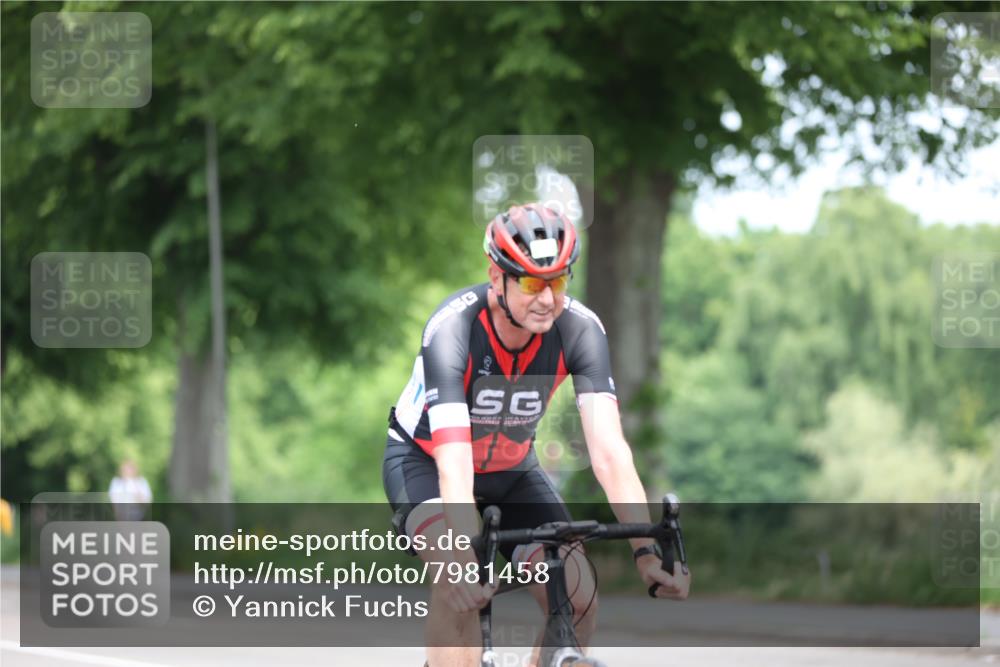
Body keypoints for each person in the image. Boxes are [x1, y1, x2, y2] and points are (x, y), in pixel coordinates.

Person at [383, 203, 690, 667]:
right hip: (425, 463)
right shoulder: (453, 330)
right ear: (496, 275)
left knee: (578, 594)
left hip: (511, 470)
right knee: (459, 583)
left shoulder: (580, 330)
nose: (547, 298)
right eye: (530, 283)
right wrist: (469, 553)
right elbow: (454, 463)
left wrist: (646, 552)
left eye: (558, 282)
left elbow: (609, 453)